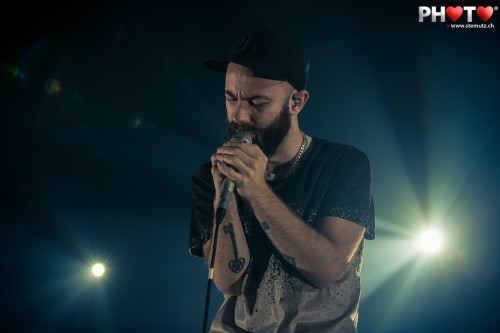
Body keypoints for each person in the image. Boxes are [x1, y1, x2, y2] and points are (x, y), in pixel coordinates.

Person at [189, 29, 375, 332]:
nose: (240, 115)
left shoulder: (344, 164)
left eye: (256, 102)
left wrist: (257, 191)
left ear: (296, 102)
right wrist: (226, 193)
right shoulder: (210, 177)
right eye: (230, 97)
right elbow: (227, 282)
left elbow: (326, 269)